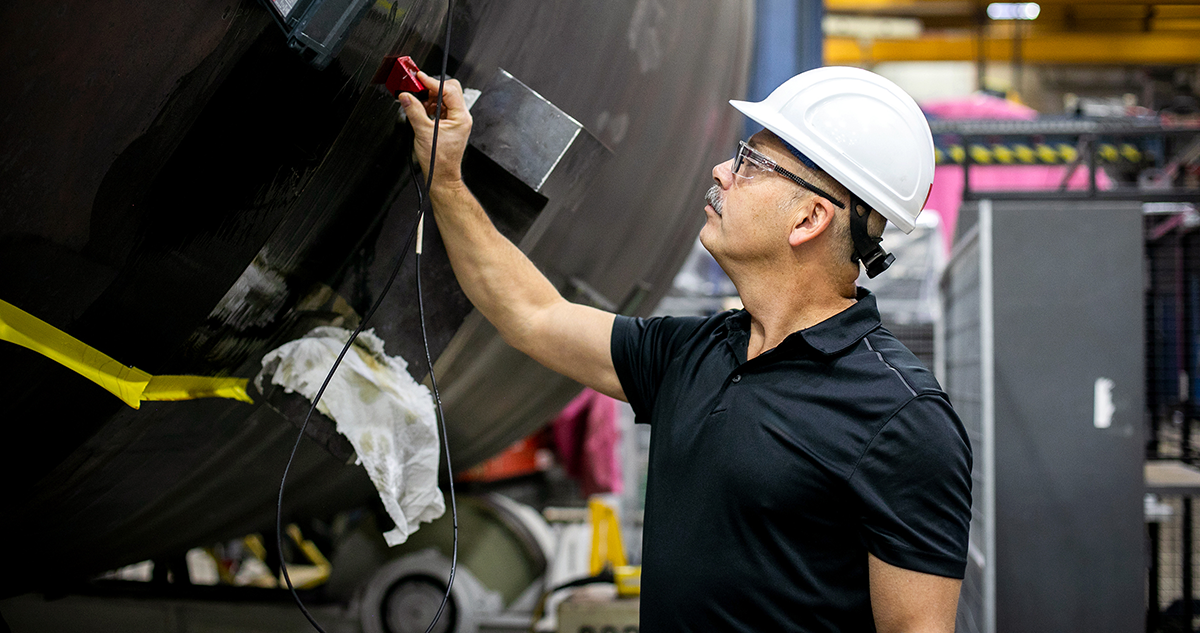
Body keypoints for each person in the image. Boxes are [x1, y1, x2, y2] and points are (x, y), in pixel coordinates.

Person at [398, 66, 972, 633]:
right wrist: (445, 181)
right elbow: (533, 315)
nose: (723, 171)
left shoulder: (903, 419)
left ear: (809, 218)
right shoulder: (693, 353)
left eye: (751, 164)